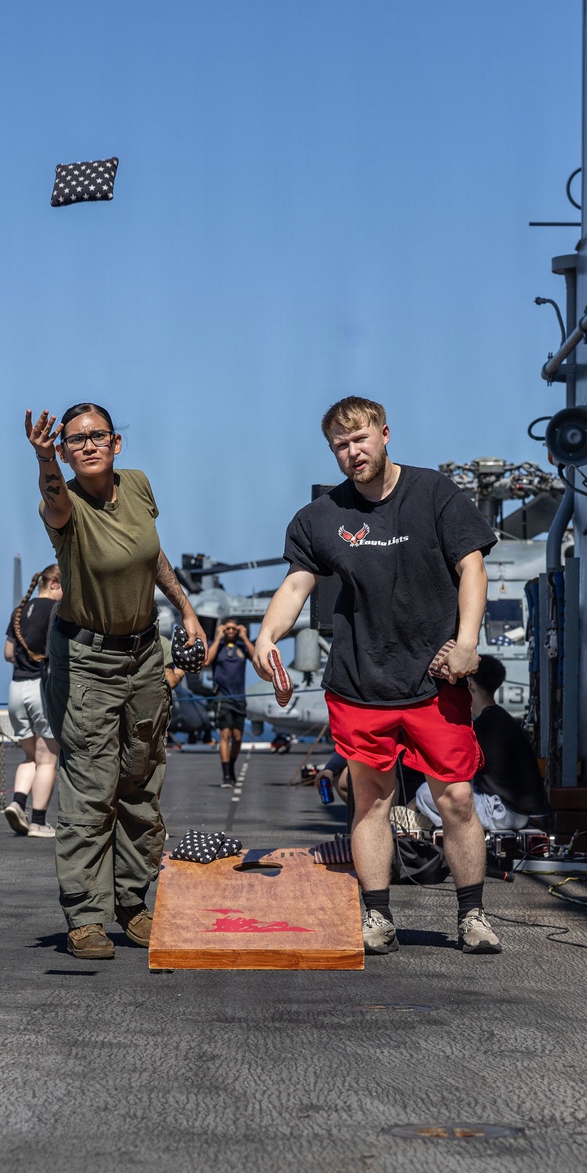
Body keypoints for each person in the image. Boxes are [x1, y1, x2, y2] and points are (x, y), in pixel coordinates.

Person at [253, 395, 501, 955]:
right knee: (371, 800)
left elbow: (473, 567)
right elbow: (297, 585)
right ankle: (377, 918)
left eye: (360, 439)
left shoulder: (434, 494)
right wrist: (267, 638)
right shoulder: (319, 518)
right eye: (340, 445)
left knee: (457, 798)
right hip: (360, 683)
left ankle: (473, 915)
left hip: (435, 680)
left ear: (385, 434)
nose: (351, 452)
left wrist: (467, 645)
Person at [25, 400, 207, 960]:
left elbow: (151, 556)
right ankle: (85, 915)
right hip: (90, 659)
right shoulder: (66, 504)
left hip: (146, 652)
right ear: (64, 450)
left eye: (97, 436)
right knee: (91, 786)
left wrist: (187, 609)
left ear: (116, 442)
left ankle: (132, 904)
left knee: (141, 776)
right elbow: (54, 500)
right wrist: (42, 460)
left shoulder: (139, 486)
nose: (87, 445)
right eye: (74, 440)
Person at [415, 655, 550, 832]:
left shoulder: (484, 725)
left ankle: (441, 826)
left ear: (469, 685)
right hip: (519, 812)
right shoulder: (502, 719)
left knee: (425, 792)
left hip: (503, 811)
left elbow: (456, 772)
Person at [2, 564, 62, 838]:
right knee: (48, 759)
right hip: (41, 686)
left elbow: (7, 653)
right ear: (53, 584)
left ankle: (18, 802)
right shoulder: (55, 610)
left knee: (30, 756)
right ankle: (38, 821)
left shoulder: (19, 611)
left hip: (16, 688)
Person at [204, 618, 254, 787]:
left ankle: (231, 766)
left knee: (238, 737)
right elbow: (207, 661)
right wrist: (218, 638)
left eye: (234, 628)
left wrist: (245, 637)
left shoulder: (242, 646)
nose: (231, 631)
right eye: (227, 628)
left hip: (239, 697)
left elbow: (256, 658)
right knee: (225, 734)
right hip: (222, 697)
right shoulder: (216, 646)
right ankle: (226, 775)